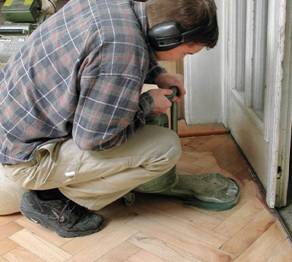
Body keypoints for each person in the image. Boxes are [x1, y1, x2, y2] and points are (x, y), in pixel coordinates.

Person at [0, 0, 218, 237]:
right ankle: (55, 202)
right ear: (167, 38)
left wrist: (158, 73)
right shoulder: (121, 49)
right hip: (26, 158)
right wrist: (147, 105)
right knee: (165, 147)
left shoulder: (114, 6)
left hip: (13, 126)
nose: (184, 59)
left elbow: (97, 57)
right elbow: (94, 139)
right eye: (187, 52)